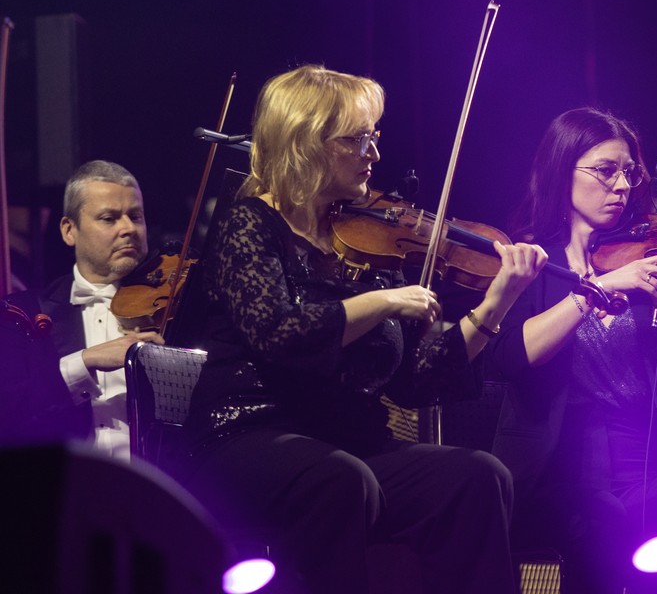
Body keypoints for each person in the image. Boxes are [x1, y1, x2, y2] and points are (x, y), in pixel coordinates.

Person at [179, 65, 547, 594]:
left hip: (346, 442)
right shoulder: (251, 224)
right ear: (304, 142)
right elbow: (277, 333)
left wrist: (497, 302)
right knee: (342, 479)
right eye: (356, 140)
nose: (373, 153)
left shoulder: (368, 239)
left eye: (374, 137)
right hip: (249, 433)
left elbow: (415, 382)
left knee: (477, 476)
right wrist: (381, 303)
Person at [488, 107, 657, 594]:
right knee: (604, 522)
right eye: (605, 170)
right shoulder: (529, 261)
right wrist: (599, 289)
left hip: (648, 459)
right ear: (562, 170)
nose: (622, 186)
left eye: (629, 173)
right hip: (563, 471)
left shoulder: (653, 258)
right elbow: (512, 357)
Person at [5, 161, 164, 458]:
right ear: (69, 230)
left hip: (156, 481)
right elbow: (11, 412)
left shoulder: (173, 304)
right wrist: (85, 361)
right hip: (65, 480)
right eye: (109, 218)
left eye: (135, 216)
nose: (128, 228)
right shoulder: (22, 313)